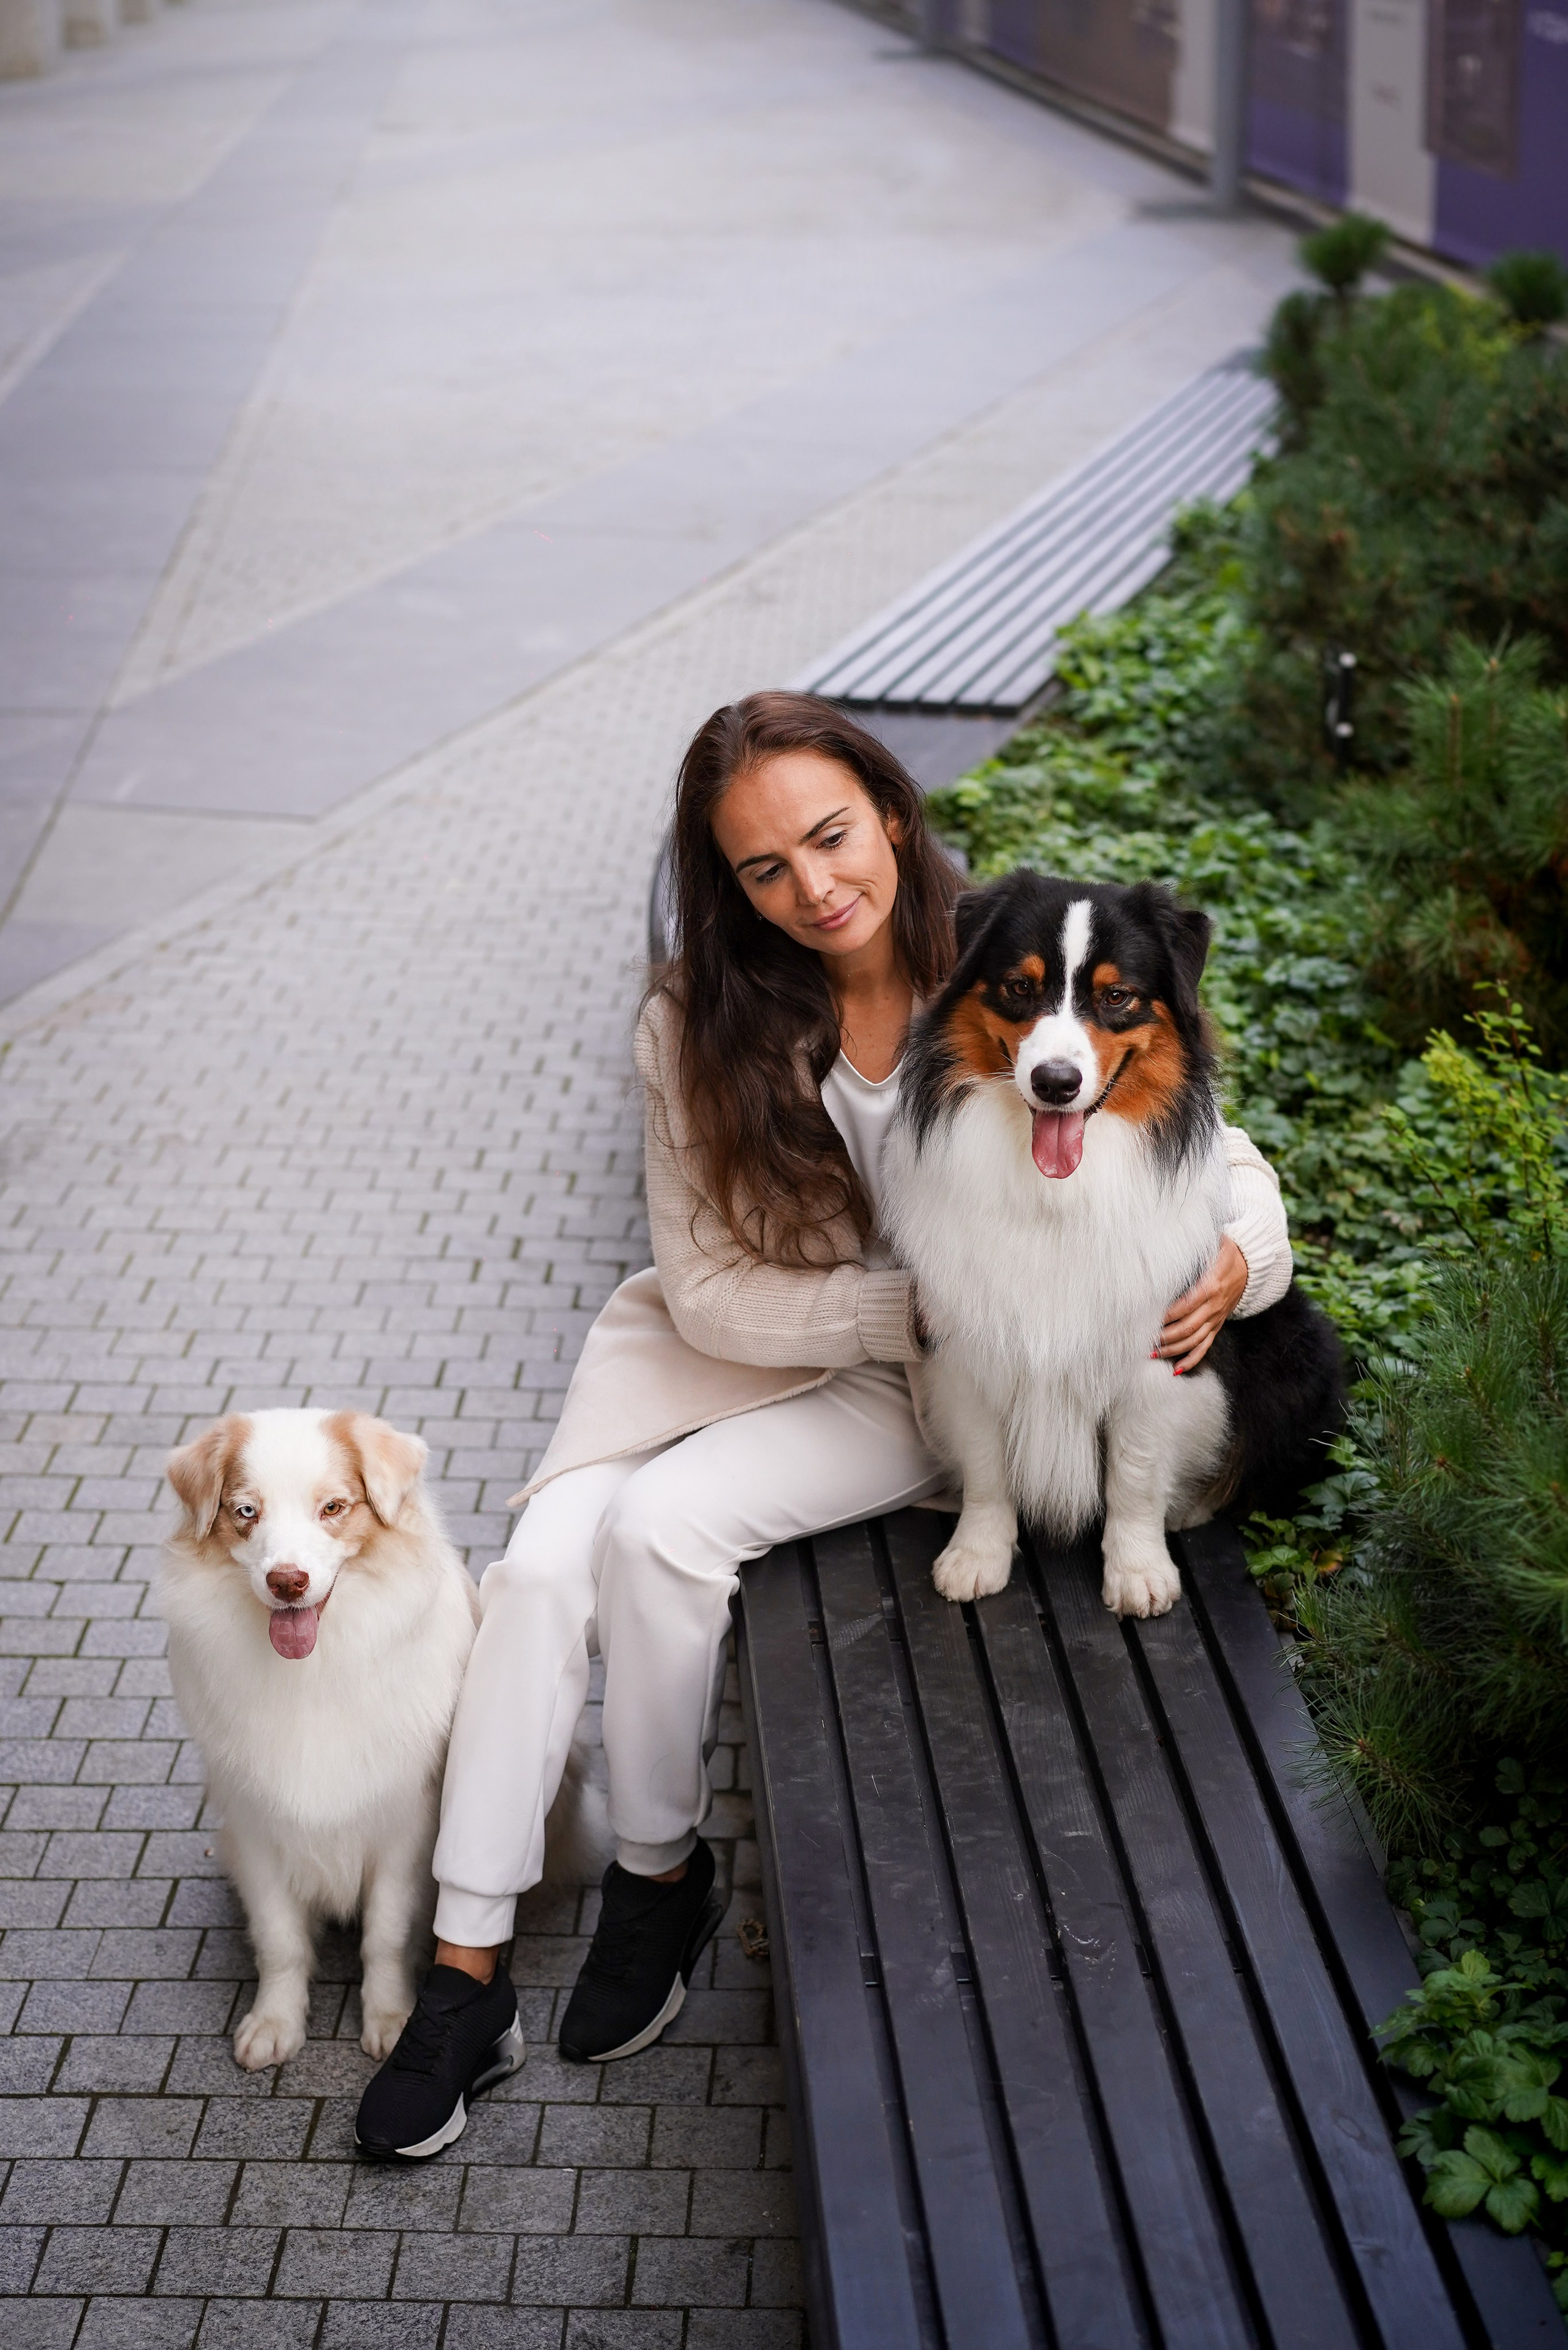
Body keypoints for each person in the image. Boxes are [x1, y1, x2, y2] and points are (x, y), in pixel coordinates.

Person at [355, 693, 1292, 2158]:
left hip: (909, 1392)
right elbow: (704, 1285)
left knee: (661, 1536)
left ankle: (655, 1877)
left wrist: (1245, 1262)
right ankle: (463, 1974)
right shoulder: (693, 1013)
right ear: (724, 885)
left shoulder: (986, 957)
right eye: (761, 867)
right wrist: (894, 1305)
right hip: (723, 1347)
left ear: (891, 813)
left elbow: (1208, 1154)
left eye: (829, 835)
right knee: (537, 1571)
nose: (811, 884)